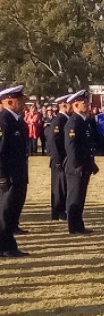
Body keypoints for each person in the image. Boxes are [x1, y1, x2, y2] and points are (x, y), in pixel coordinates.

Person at [0, 85, 30, 257]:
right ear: (10, 102)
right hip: (8, 176)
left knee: (12, 212)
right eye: (21, 99)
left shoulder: (17, 120)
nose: (24, 102)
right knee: (5, 211)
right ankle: (5, 247)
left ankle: (9, 244)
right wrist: (2, 176)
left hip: (18, 174)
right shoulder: (4, 120)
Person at [64, 90, 99, 234]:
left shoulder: (84, 122)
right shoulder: (73, 123)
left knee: (80, 196)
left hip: (84, 165)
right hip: (76, 167)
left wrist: (91, 163)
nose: (87, 105)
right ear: (76, 105)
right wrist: (77, 165)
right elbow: (71, 147)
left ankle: (79, 225)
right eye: (84, 103)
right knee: (75, 196)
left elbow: (87, 146)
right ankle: (74, 227)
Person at [45, 94, 71, 221]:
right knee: (58, 187)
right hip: (59, 160)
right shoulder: (59, 120)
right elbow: (53, 142)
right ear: (64, 105)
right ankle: (58, 212)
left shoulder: (67, 119)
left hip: (65, 159)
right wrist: (57, 161)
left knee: (64, 186)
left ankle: (63, 210)